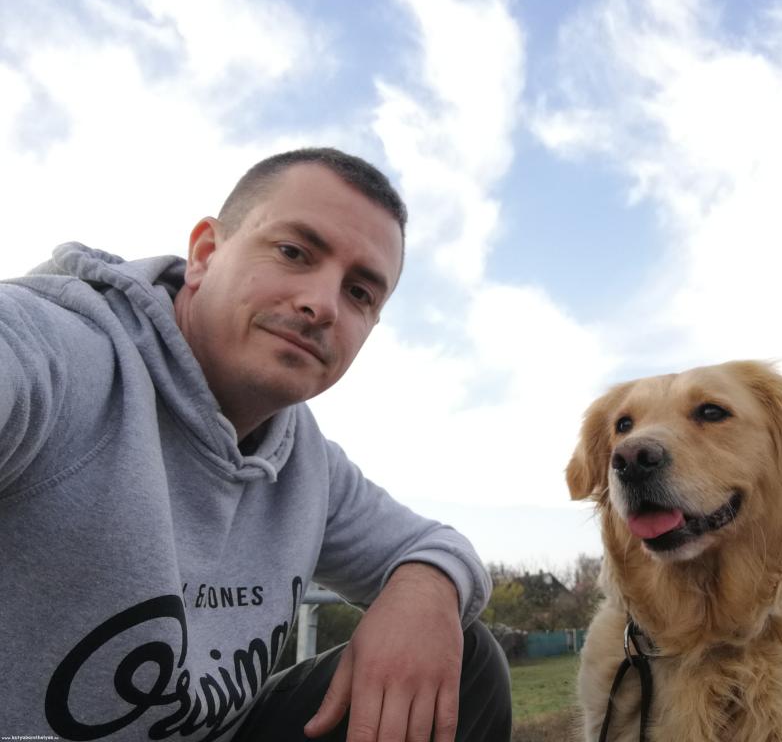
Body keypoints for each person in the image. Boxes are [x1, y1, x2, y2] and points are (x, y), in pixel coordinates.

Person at [0, 148, 511, 741]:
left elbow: (436, 544)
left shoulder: (303, 458)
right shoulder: (56, 354)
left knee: (468, 657)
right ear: (205, 254)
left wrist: (425, 586)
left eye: (359, 293)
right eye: (294, 252)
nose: (322, 305)